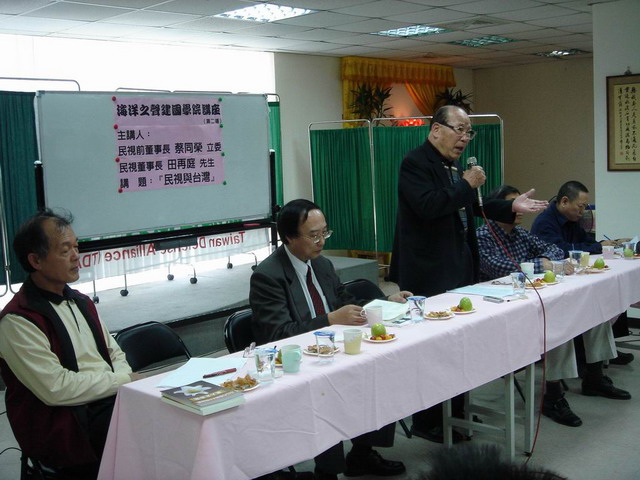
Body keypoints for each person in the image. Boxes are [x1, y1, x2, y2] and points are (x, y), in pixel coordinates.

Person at [388, 105, 548, 443]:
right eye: (459, 129)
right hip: (427, 270)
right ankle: (428, 421)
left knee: (457, 342)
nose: (464, 137)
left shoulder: (452, 166)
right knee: (433, 347)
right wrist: (465, 183)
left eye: (468, 131)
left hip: (457, 264)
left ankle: (455, 412)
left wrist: (510, 206)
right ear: (436, 130)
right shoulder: (415, 162)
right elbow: (429, 206)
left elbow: (472, 205)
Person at [250, 199, 411, 480]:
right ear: (289, 237)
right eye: (313, 235)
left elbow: (346, 302)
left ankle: (361, 455)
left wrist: (386, 302)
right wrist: (329, 320)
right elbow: (277, 334)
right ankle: (327, 471)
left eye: (325, 232)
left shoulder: (322, 264)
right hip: (296, 362)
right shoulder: (268, 276)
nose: (322, 241)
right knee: (326, 389)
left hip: (334, 349)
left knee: (380, 367)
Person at [477, 185, 630, 428]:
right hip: (501, 306)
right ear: (497, 208)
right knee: (559, 322)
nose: (520, 209)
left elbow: (555, 250)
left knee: (595, 310)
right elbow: (498, 267)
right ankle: (553, 395)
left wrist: (543, 261)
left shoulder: (520, 233)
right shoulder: (483, 235)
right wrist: (541, 264)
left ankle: (595, 377)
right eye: (513, 204)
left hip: (533, 296)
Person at [0, 210, 136, 479]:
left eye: (76, 247)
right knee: (144, 432)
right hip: (64, 423)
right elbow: (57, 388)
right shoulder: (18, 320)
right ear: (35, 260)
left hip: (105, 400)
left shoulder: (81, 302)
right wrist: (123, 381)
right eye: (65, 250)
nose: (76, 256)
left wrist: (123, 381)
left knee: (166, 414)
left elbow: (114, 352)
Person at [531, 180, 635, 365]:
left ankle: (606, 350)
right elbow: (561, 250)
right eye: (581, 206)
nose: (583, 211)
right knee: (593, 299)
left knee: (612, 288)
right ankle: (586, 357)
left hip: (571, 273)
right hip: (554, 279)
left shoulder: (572, 220)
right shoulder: (545, 222)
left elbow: (584, 240)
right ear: (564, 201)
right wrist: (597, 247)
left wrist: (606, 244)